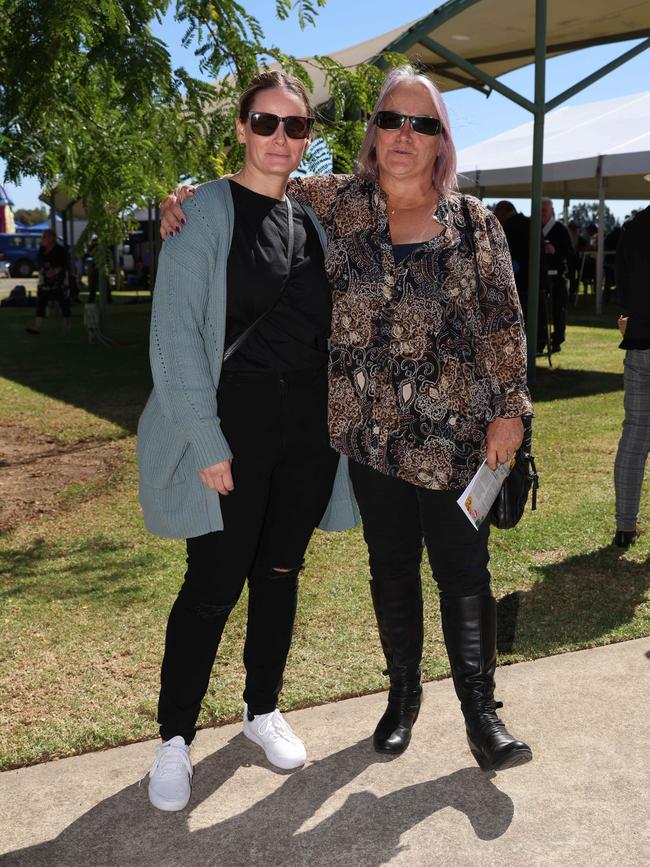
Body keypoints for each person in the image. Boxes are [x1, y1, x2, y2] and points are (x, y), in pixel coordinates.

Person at [162, 65, 534, 773]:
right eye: (393, 118)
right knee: (390, 565)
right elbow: (253, 187)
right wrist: (182, 201)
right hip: (368, 438)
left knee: (463, 571)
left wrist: (509, 410)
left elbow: (503, 322)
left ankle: (482, 715)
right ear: (374, 132)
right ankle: (401, 699)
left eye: (423, 124)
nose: (405, 134)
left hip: (456, 440)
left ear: (441, 143)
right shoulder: (336, 203)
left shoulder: (474, 222)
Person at [138, 70, 358, 812]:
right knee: (213, 584)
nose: (280, 140)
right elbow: (171, 334)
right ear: (241, 127)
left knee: (280, 573)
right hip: (232, 424)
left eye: (296, 128)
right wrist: (205, 440)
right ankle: (174, 738)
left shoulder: (314, 217)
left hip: (306, 433)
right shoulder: (200, 212)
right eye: (266, 123)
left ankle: (260, 708)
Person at [613, 205, 650, 548]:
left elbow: (621, 286)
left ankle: (625, 527)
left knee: (634, 438)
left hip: (640, 340)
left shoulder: (635, 226)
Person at [494, 200, 548, 354]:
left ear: (503, 212)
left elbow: (507, 259)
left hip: (519, 285)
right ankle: (536, 344)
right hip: (538, 282)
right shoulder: (532, 224)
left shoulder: (509, 228)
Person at [25, 228, 71, 335]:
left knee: (64, 303)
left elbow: (64, 264)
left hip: (59, 281)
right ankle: (37, 327)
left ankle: (67, 327)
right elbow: (39, 262)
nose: (42, 239)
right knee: (41, 303)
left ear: (51, 238)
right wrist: (44, 270)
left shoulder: (60, 250)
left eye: (44, 237)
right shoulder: (42, 249)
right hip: (45, 281)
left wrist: (55, 270)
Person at [541, 198, 572, 352]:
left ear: (551, 211)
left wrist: (555, 250)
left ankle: (557, 340)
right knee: (540, 310)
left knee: (558, 310)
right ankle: (540, 340)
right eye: (540, 210)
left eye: (545, 210)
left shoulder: (560, 228)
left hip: (557, 275)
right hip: (540, 276)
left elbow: (569, 251)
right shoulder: (534, 226)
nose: (542, 213)